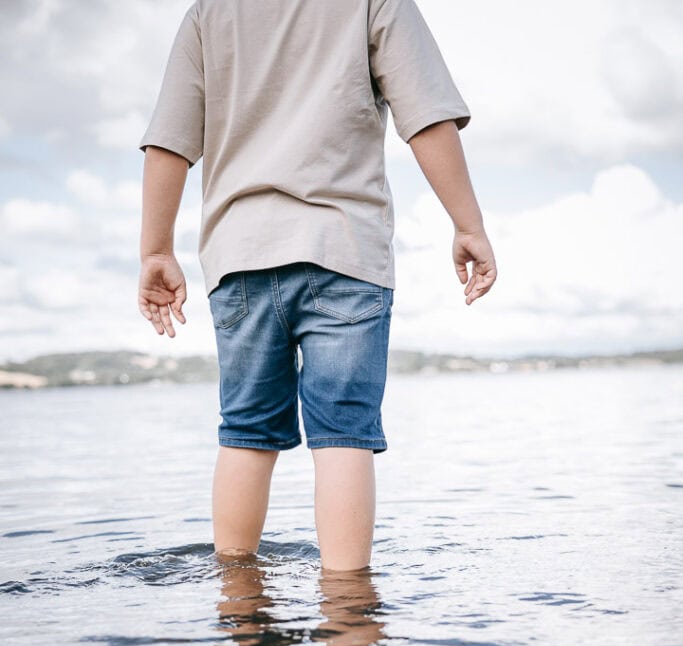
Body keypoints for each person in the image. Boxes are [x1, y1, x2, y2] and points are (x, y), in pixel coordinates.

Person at [137, 0, 497, 573]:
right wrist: (468, 224)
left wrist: (156, 250)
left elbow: (170, 142)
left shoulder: (210, 12)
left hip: (240, 255)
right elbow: (428, 117)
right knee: (344, 433)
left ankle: (238, 609)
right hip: (345, 251)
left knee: (246, 433)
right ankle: (350, 615)